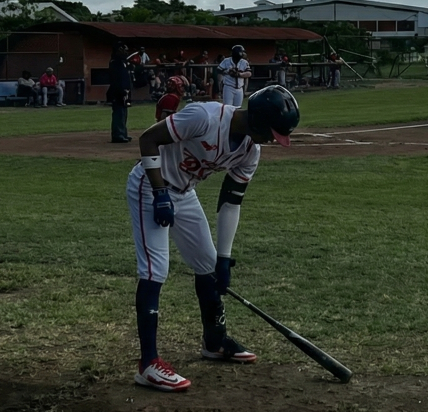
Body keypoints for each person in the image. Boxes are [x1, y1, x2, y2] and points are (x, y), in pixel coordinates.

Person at [128, 84, 301, 391]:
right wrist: (158, 193)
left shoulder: (250, 151)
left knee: (207, 266)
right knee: (156, 270)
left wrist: (224, 258)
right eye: (272, 133)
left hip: (184, 193)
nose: (271, 141)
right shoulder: (205, 117)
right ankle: (148, 364)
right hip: (149, 187)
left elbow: (231, 202)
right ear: (259, 120)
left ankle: (214, 342)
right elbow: (148, 139)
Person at [108, 43, 133, 142]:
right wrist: (121, 90)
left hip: (124, 91)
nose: (126, 52)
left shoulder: (123, 62)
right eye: (123, 50)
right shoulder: (115, 63)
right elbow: (116, 79)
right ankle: (117, 135)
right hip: (118, 92)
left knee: (123, 113)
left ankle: (123, 133)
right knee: (118, 113)